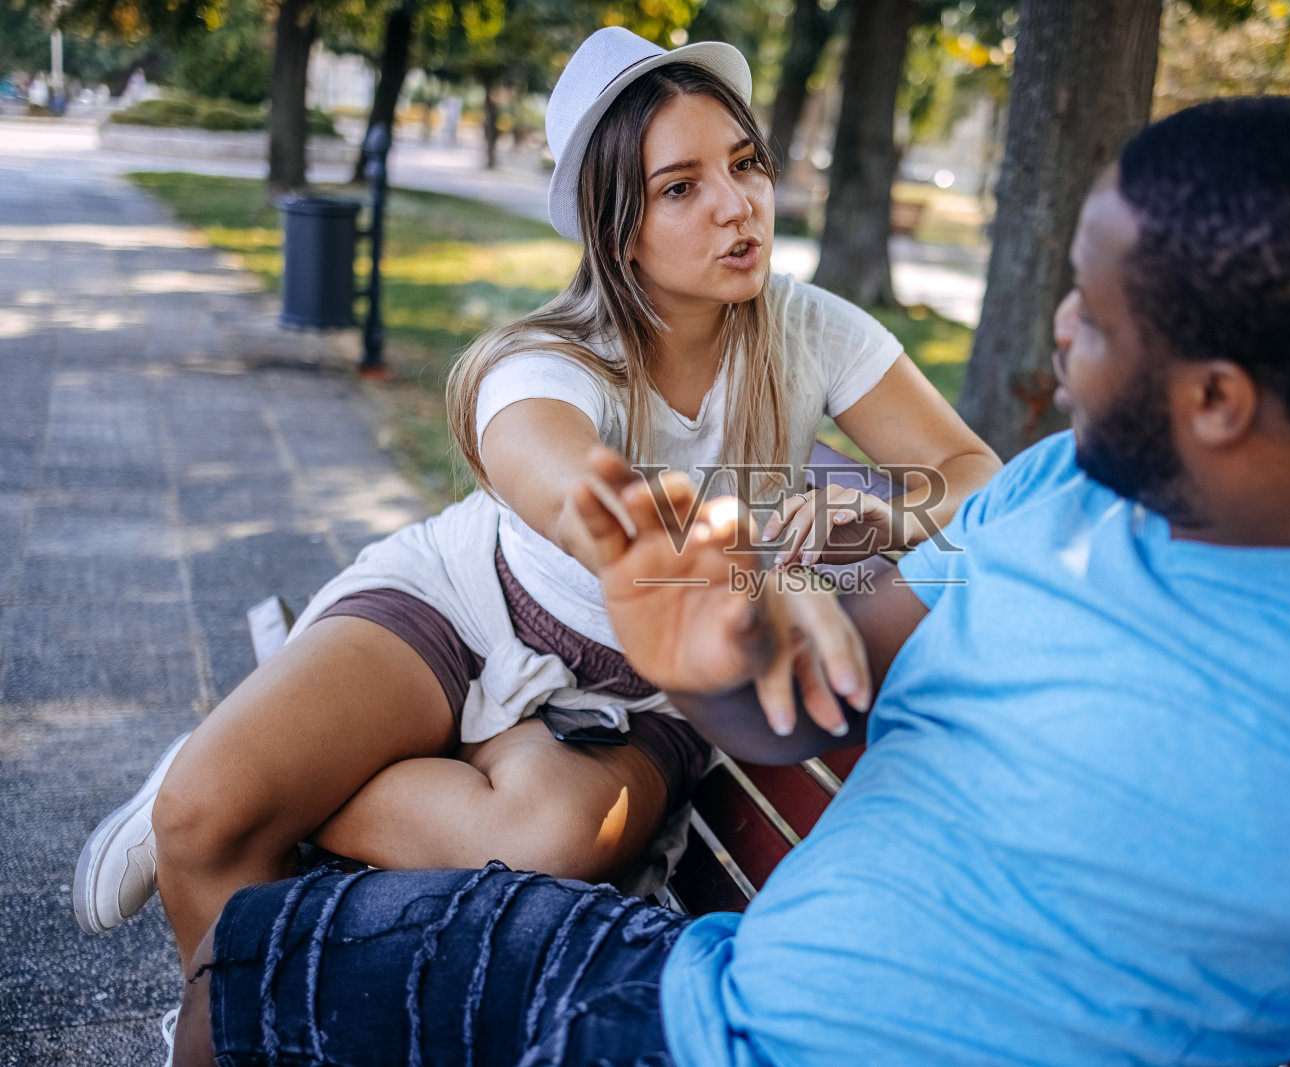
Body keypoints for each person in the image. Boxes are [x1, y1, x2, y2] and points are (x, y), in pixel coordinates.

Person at [171, 96, 1290, 1067]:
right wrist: (715, 663)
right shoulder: (1059, 495)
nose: (1057, 326)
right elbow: (811, 704)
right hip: (675, 996)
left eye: (1093, 315)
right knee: (238, 973)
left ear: (1216, 397)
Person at [73, 21, 999, 1034]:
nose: (739, 207)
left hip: (640, 694)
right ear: (616, 224)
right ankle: (222, 1014)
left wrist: (893, 514)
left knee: (551, 837)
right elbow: (561, 476)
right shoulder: (552, 356)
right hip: (468, 608)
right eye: (681, 186)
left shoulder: (809, 328)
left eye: (745, 164)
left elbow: (972, 473)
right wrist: (659, 532)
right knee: (202, 813)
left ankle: (286, 766)